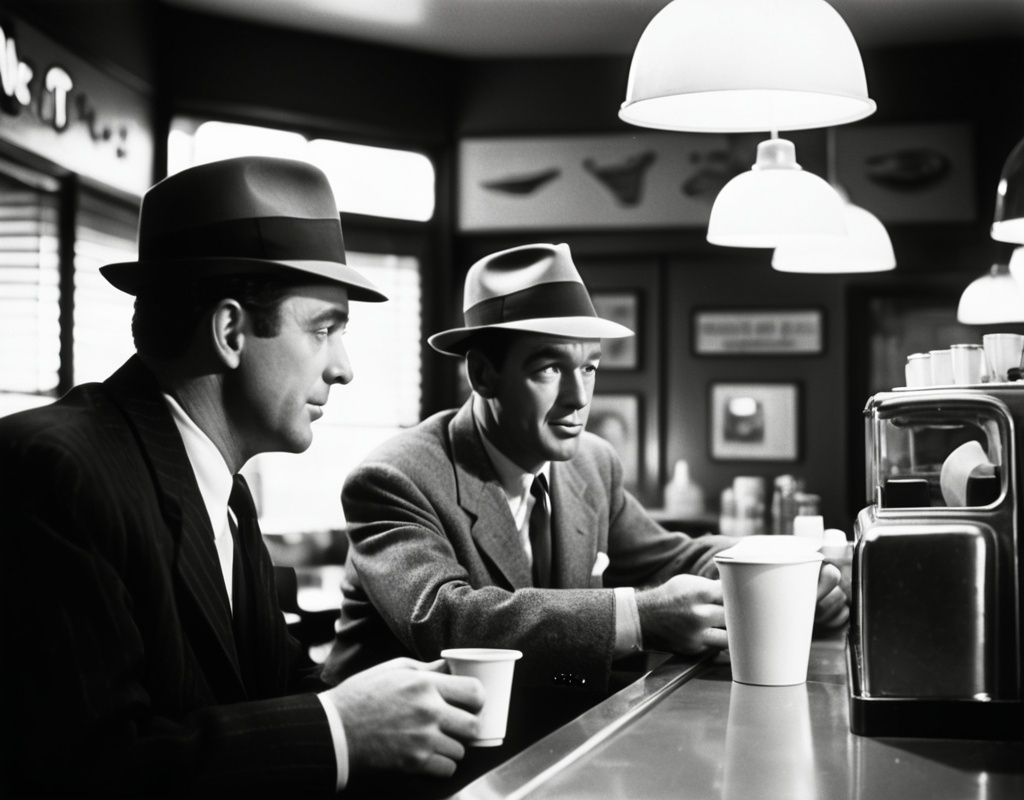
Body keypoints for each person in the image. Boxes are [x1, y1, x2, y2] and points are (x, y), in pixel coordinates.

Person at [0, 157, 483, 797]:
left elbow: (270, 690)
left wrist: (398, 705)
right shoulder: (52, 471)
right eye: (324, 329)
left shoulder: (223, 490)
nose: (344, 368)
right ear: (231, 330)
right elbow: (87, 769)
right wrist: (339, 728)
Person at [322, 242, 849, 700]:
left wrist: (792, 565)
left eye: (590, 367)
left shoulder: (592, 463)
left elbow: (671, 558)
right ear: (483, 374)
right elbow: (449, 620)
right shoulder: (396, 477)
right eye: (549, 369)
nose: (578, 398)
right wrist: (639, 617)